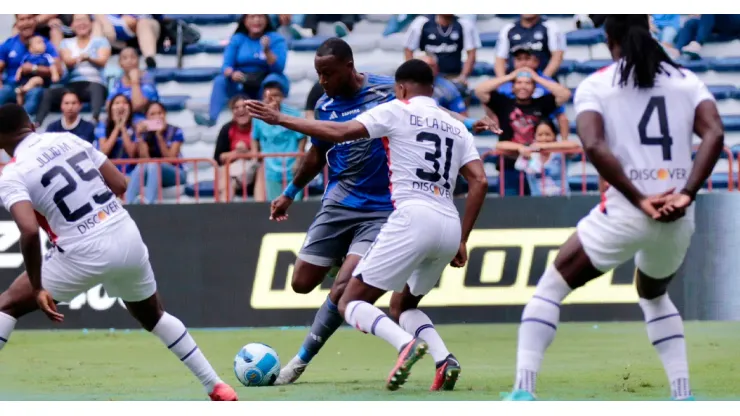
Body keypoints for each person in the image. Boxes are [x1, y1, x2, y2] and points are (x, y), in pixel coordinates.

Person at [501, 15, 724, 401]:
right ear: (650, 29)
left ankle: (523, 391)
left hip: (625, 212)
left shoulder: (598, 84)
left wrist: (639, 199)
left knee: (551, 288)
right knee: (653, 295)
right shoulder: (687, 80)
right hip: (678, 216)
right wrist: (686, 193)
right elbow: (715, 133)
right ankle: (682, 394)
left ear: (608, 38)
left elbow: (593, 145)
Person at [253, 38, 496, 386]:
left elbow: (423, 111)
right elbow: (318, 150)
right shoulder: (326, 104)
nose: (323, 81)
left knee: (345, 296)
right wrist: (291, 192)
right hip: (345, 202)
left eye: (328, 73)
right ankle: (441, 357)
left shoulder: (391, 97)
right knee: (303, 283)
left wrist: (281, 119)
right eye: (319, 74)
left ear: (350, 67)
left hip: (387, 210)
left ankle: (302, 360)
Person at [0, 103, 238, 401]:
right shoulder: (68, 139)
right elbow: (120, 183)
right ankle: (216, 385)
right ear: (32, 125)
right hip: (124, 233)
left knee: (7, 305)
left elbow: (29, 230)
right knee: (154, 316)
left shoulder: (13, 173)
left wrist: (37, 287)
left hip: (80, 249)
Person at [475, 67, 572, 196]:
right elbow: (480, 91)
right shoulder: (503, 103)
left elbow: (564, 94)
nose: (523, 86)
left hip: (537, 167)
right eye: (519, 82)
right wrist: (510, 76)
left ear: (534, 87)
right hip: (509, 166)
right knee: (510, 210)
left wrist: (537, 78)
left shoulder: (542, 103)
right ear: (512, 87)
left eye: (528, 83)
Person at [36, 14, 111, 125]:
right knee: (49, 93)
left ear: (91, 23)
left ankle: (95, 119)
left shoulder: (101, 41)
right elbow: (67, 61)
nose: (81, 23)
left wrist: (87, 58)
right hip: (73, 84)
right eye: (77, 20)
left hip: (95, 82)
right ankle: (37, 122)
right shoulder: (66, 43)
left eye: (84, 20)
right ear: (71, 25)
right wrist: (83, 57)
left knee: (96, 88)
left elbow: (102, 60)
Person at [252, 80, 306, 202]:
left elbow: (302, 137)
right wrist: (255, 156)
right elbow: (255, 138)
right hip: (270, 168)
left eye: (275, 95)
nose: (271, 99)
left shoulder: (293, 114)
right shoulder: (258, 117)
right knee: (274, 203)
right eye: (267, 96)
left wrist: (298, 160)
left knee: (295, 204)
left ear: (282, 97)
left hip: (292, 167)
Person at [125, 101, 187, 204]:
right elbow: (145, 160)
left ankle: (149, 204)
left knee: (154, 164)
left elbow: (171, 159)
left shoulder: (176, 130)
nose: (157, 117)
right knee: (140, 167)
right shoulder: (144, 134)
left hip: (176, 173)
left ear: (165, 115)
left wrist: (159, 136)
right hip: (153, 172)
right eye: (152, 114)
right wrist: (140, 137)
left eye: (160, 113)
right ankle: (129, 204)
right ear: (146, 118)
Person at [13, 35, 60, 107]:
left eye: (43, 42)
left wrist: (55, 74)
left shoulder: (46, 56)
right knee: (19, 98)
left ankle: (23, 90)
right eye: (39, 43)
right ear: (31, 48)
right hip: (26, 80)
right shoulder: (27, 57)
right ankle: (19, 106)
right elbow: (21, 67)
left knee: (36, 79)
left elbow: (52, 66)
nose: (43, 44)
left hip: (42, 80)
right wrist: (18, 75)